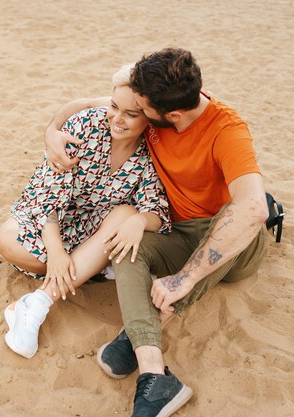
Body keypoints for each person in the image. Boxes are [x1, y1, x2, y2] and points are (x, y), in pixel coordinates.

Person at [45, 48, 270, 417]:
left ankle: (134, 330)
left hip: (230, 238)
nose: (132, 114)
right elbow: (79, 105)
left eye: (142, 112)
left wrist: (184, 278)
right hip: (176, 231)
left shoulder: (227, 129)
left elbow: (254, 209)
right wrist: (52, 132)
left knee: (234, 215)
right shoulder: (153, 103)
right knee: (125, 243)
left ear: (172, 116)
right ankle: (155, 372)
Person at [0, 65, 172, 360]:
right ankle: (93, 266)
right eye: (114, 107)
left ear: (151, 116)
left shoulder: (156, 149)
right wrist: (55, 252)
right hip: (50, 216)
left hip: (99, 224)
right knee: (7, 239)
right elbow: (48, 195)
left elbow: (156, 209)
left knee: (127, 213)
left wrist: (141, 220)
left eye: (130, 114)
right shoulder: (85, 126)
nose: (117, 118)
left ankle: (36, 303)